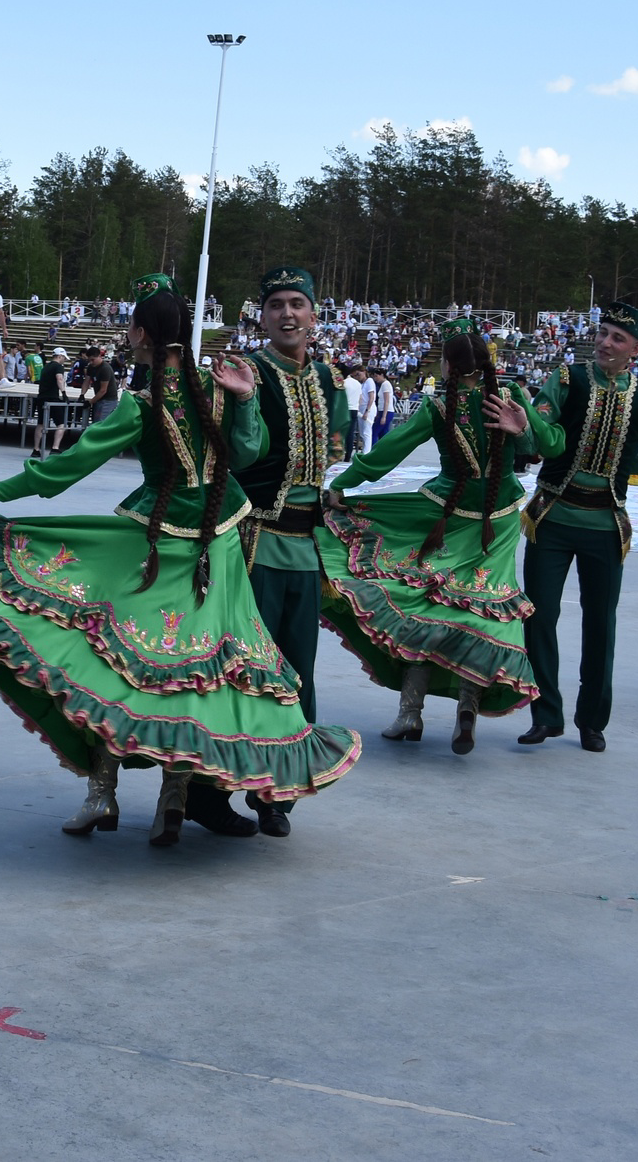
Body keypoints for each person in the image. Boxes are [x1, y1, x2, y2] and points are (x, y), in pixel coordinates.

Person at [0, 275, 360, 848]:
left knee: (124, 666)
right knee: (202, 677)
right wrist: (243, 402)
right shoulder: (219, 384)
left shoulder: (142, 401)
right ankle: (173, 803)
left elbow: (74, 462)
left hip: (164, 542)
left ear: (136, 333)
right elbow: (248, 454)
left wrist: (2, 490)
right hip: (224, 543)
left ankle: (102, 795)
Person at [323, 316, 556, 756]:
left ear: (448, 365)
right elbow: (552, 446)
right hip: (499, 518)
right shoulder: (511, 398)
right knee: (481, 609)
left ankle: (410, 712)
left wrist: (344, 483)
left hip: (443, 517)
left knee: (424, 605)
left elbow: (389, 451)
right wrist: (524, 428)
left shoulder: (437, 407)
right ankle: (467, 707)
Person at [517, 302, 638, 752]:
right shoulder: (567, 379)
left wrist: (630, 466)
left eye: (617, 338)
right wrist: (526, 436)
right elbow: (538, 428)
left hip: (606, 526)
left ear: (636, 349)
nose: (605, 343)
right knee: (538, 617)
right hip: (550, 519)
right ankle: (546, 715)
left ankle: (593, 721)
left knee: (601, 626)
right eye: (603, 332)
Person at [228, 266, 352, 834]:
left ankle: (281, 793)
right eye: (275, 303)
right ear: (262, 315)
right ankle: (226, 780)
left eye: (296, 303)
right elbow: (237, 455)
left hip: (306, 546)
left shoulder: (329, 379)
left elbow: (337, 448)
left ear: (314, 313)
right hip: (252, 543)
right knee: (246, 668)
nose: (286, 313)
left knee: (300, 671)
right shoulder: (245, 370)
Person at [344, 360, 373, 456]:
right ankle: (350, 453)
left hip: (365, 409)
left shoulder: (369, 381)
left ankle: (366, 453)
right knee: (356, 433)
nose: (357, 377)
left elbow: (371, 397)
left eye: (358, 374)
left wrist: (367, 411)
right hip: (357, 408)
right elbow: (360, 398)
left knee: (366, 433)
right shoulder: (359, 384)